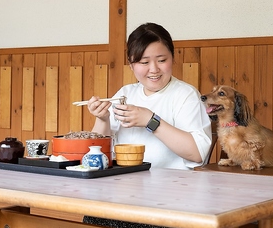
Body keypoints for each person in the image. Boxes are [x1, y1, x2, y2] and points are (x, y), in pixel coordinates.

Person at [87, 22, 212, 170]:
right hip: (124, 184)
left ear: (172, 58)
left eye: (162, 60)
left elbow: (197, 153)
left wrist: (151, 121)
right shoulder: (125, 94)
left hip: (174, 186)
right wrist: (102, 119)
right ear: (131, 65)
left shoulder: (185, 94)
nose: (153, 69)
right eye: (144, 62)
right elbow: (96, 150)